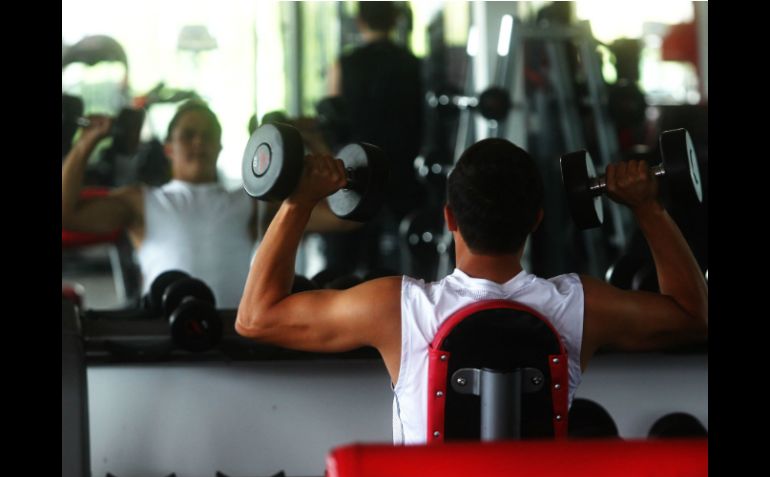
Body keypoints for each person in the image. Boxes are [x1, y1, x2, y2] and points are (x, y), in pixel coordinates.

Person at [235, 137, 708, 445]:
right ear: (537, 221)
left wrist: (299, 199)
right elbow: (692, 315)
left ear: (449, 220)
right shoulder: (579, 305)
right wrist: (648, 207)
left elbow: (255, 317)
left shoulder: (396, 309)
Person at [62, 101, 349, 308]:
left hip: (231, 336)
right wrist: (86, 142)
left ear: (221, 146)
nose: (200, 142)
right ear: (168, 148)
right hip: (164, 336)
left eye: (209, 135)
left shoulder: (251, 202)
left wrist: (313, 142)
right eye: (189, 135)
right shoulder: (141, 201)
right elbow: (67, 216)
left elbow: (342, 217)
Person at [323, 1, 425, 275]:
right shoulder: (413, 64)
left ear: (359, 22)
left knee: (346, 259)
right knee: (406, 258)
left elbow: (331, 117)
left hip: (357, 170)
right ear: (394, 21)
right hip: (402, 171)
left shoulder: (344, 64)